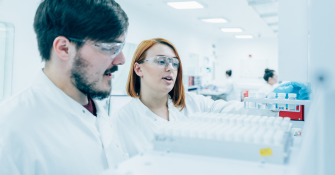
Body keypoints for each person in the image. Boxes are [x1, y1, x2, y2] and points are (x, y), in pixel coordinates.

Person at [0, 0, 129, 174]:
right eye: (110, 48)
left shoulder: (97, 110)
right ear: (64, 48)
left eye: (120, 48)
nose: (121, 60)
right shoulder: (9, 128)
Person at [112, 38, 281, 158]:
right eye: (161, 61)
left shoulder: (192, 102)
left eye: (174, 63)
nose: (170, 67)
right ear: (138, 69)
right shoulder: (122, 120)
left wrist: (272, 102)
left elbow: (234, 111)